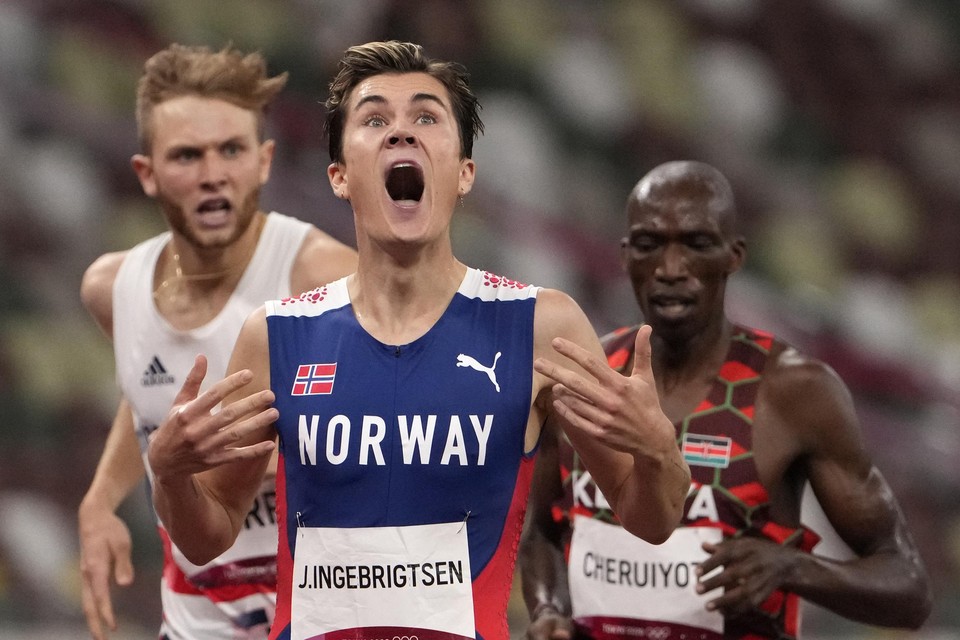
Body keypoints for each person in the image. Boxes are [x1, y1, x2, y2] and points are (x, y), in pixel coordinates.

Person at [141, 40, 691, 640]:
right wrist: (169, 476)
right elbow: (208, 535)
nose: (402, 133)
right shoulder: (276, 335)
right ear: (340, 176)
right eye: (375, 119)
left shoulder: (541, 327)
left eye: (426, 117)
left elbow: (652, 521)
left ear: (463, 174)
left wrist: (659, 449)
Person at [518, 160, 933, 640]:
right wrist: (548, 610)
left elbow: (910, 588)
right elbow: (542, 536)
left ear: (733, 256)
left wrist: (793, 567)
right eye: (651, 245)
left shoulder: (796, 392)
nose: (671, 269)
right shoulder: (580, 374)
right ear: (626, 254)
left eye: (696, 244)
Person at [77, 43, 358, 640]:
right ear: (146, 174)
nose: (212, 175)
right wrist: (101, 499)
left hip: (323, 612)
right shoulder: (112, 289)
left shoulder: (327, 279)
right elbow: (150, 399)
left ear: (263, 161)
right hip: (197, 616)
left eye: (231, 150)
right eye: (186, 155)